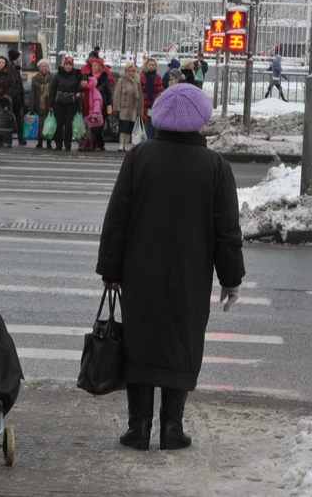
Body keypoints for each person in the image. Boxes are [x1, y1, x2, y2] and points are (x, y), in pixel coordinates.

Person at [96, 83, 245, 452]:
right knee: (182, 342)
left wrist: (110, 270)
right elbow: (227, 231)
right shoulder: (216, 167)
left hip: (140, 271)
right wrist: (231, 279)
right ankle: (172, 428)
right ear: (201, 122)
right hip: (191, 275)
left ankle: (138, 428)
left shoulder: (139, 158)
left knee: (140, 342)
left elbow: (118, 217)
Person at [50, 55, 81, 152]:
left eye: (70, 65)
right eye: (66, 64)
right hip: (59, 103)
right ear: (64, 65)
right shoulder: (57, 76)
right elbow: (52, 91)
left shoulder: (75, 76)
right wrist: (51, 105)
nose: (68, 66)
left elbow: (78, 92)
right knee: (59, 124)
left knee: (68, 125)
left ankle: (68, 145)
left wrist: (78, 105)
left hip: (70, 104)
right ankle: (58, 144)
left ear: (72, 66)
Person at [113, 62, 144, 152]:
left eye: (132, 71)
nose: (130, 73)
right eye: (129, 71)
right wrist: (116, 107)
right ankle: (121, 143)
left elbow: (140, 97)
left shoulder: (137, 82)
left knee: (130, 126)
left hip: (133, 108)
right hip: (124, 107)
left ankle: (126, 143)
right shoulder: (121, 80)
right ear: (126, 71)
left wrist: (140, 110)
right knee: (124, 126)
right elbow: (117, 94)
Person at [30, 59, 54, 149]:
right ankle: (39, 141)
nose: (44, 68)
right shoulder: (35, 78)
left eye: (45, 66)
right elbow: (33, 93)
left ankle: (49, 142)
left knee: (49, 124)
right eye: (42, 66)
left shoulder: (52, 78)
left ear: (48, 68)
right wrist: (31, 106)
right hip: (39, 105)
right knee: (39, 124)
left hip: (49, 105)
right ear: (39, 67)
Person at [92, 58, 114, 151]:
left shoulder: (105, 78)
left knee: (100, 124)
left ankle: (99, 142)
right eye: (92, 66)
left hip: (102, 104)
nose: (93, 68)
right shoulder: (89, 77)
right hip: (91, 104)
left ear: (100, 67)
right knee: (92, 124)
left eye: (95, 66)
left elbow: (109, 92)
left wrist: (109, 104)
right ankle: (95, 142)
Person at [140, 58, 164, 140]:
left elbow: (159, 91)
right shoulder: (141, 76)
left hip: (152, 104)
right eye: (149, 65)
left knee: (151, 123)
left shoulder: (158, 77)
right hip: (143, 104)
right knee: (143, 123)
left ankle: (151, 140)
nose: (151, 67)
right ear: (146, 66)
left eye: (152, 65)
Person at [78, 60, 99, 151]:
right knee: (84, 127)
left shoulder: (93, 90)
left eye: (85, 81)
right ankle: (88, 141)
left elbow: (97, 100)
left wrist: (95, 112)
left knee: (89, 127)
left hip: (91, 112)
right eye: (81, 81)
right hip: (83, 112)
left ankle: (88, 141)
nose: (83, 83)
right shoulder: (80, 91)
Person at [8, 50, 27, 146]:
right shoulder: (11, 69)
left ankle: (20, 139)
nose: (20, 58)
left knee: (19, 120)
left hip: (17, 98)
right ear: (15, 58)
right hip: (13, 99)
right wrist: (15, 95)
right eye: (19, 57)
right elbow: (13, 84)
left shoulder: (16, 68)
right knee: (12, 119)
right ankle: (10, 140)